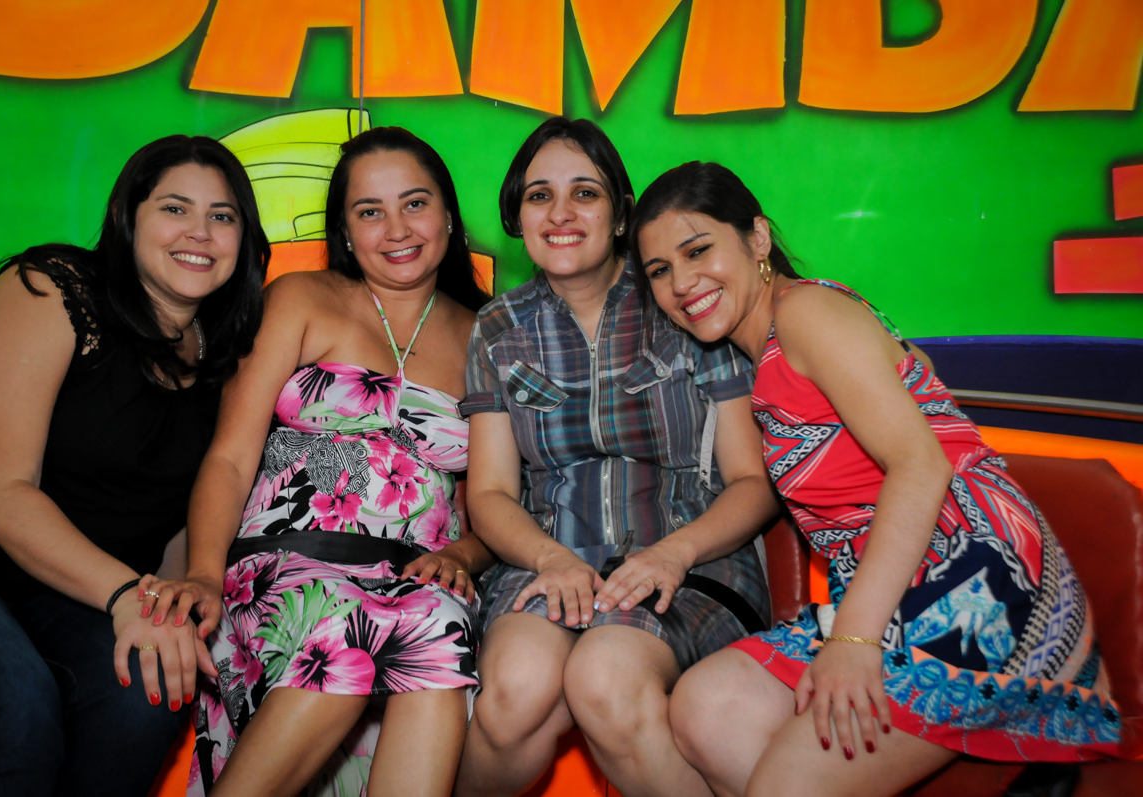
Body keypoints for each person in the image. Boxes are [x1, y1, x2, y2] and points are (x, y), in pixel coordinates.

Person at [633, 161, 1122, 797]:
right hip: (892, 581)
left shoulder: (806, 310)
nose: (682, 283)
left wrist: (856, 640)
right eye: (659, 271)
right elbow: (915, 374)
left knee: (787, 785)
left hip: (972, 577)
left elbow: (922, 465)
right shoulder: (779, 341)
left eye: (698, 250)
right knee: (706, 708)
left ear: (756, 239)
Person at [140, 126, 492, 797]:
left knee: (438, 621)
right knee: (357, 623)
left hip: (412, 582)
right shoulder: (301, 298)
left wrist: (466, 556)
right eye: (370, 211)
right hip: (284, 567)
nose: (396, 228)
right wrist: (206, 574)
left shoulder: (489, 336)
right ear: (346, 230)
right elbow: (230, 456)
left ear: (449, 215)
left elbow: (498, 498)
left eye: (415, 204)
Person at [455, 118, 777, 797]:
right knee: (515, 689)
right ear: (517, 214)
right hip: (548, 555)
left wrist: (674, 553)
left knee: (604, 677)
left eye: (585, 193)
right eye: (540, 196)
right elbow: (487, 493)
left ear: (622, 212)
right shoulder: (498, 327)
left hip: (690, 556)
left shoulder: (683, 294)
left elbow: (753, 481)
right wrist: (549, 557)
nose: (562, 213)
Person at [0, 134, 269, 797]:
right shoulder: (52, 289)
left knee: (147, 692)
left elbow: (177, 524)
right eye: (175, 208)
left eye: (224, 216)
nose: (200, 233)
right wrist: (129, 599)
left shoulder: (227, 360)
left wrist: (170, 609)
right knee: (15, 703)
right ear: (130, 217)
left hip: (68, 592)